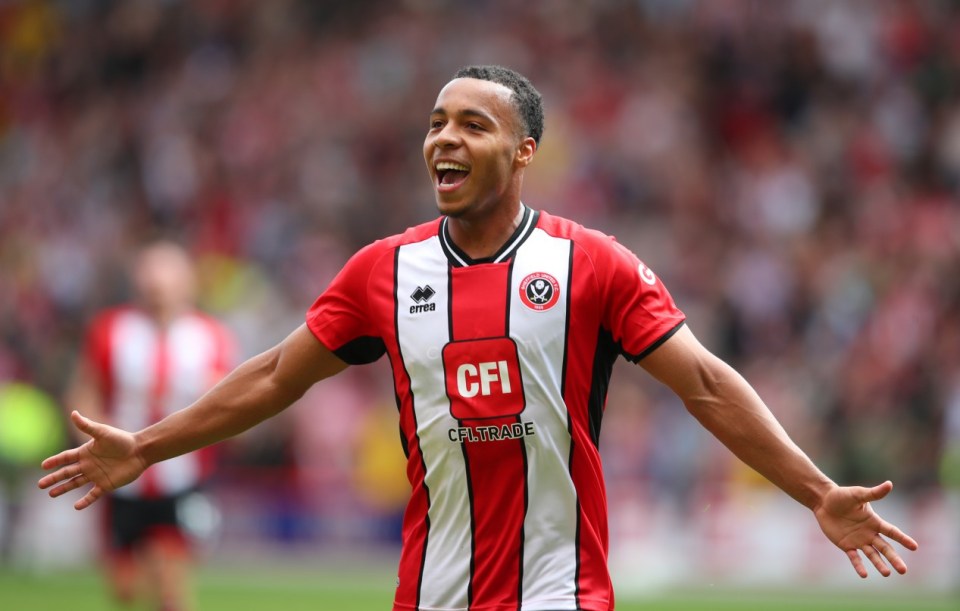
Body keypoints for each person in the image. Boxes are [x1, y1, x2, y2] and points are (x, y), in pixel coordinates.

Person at [39, 66, 918, 611]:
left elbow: (707, 385)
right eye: (435, 122)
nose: (444, 139)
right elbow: (273, 376)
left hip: (560, 587)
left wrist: (814, 491)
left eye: (472, 123)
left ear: (526, 150)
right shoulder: (382, 272)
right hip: (432, 588)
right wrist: (147, 446)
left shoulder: (592, 264)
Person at [62, 241, 235, 611]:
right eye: (150, 273)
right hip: (120, 478)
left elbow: (230, 403)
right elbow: (84, 392)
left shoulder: (211, 337)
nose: (157, 284)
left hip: (182, 478)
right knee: (124, 589)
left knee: (169, 580)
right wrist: (92, 437)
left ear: (187, 281)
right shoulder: (110, 330)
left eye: (167, 274)